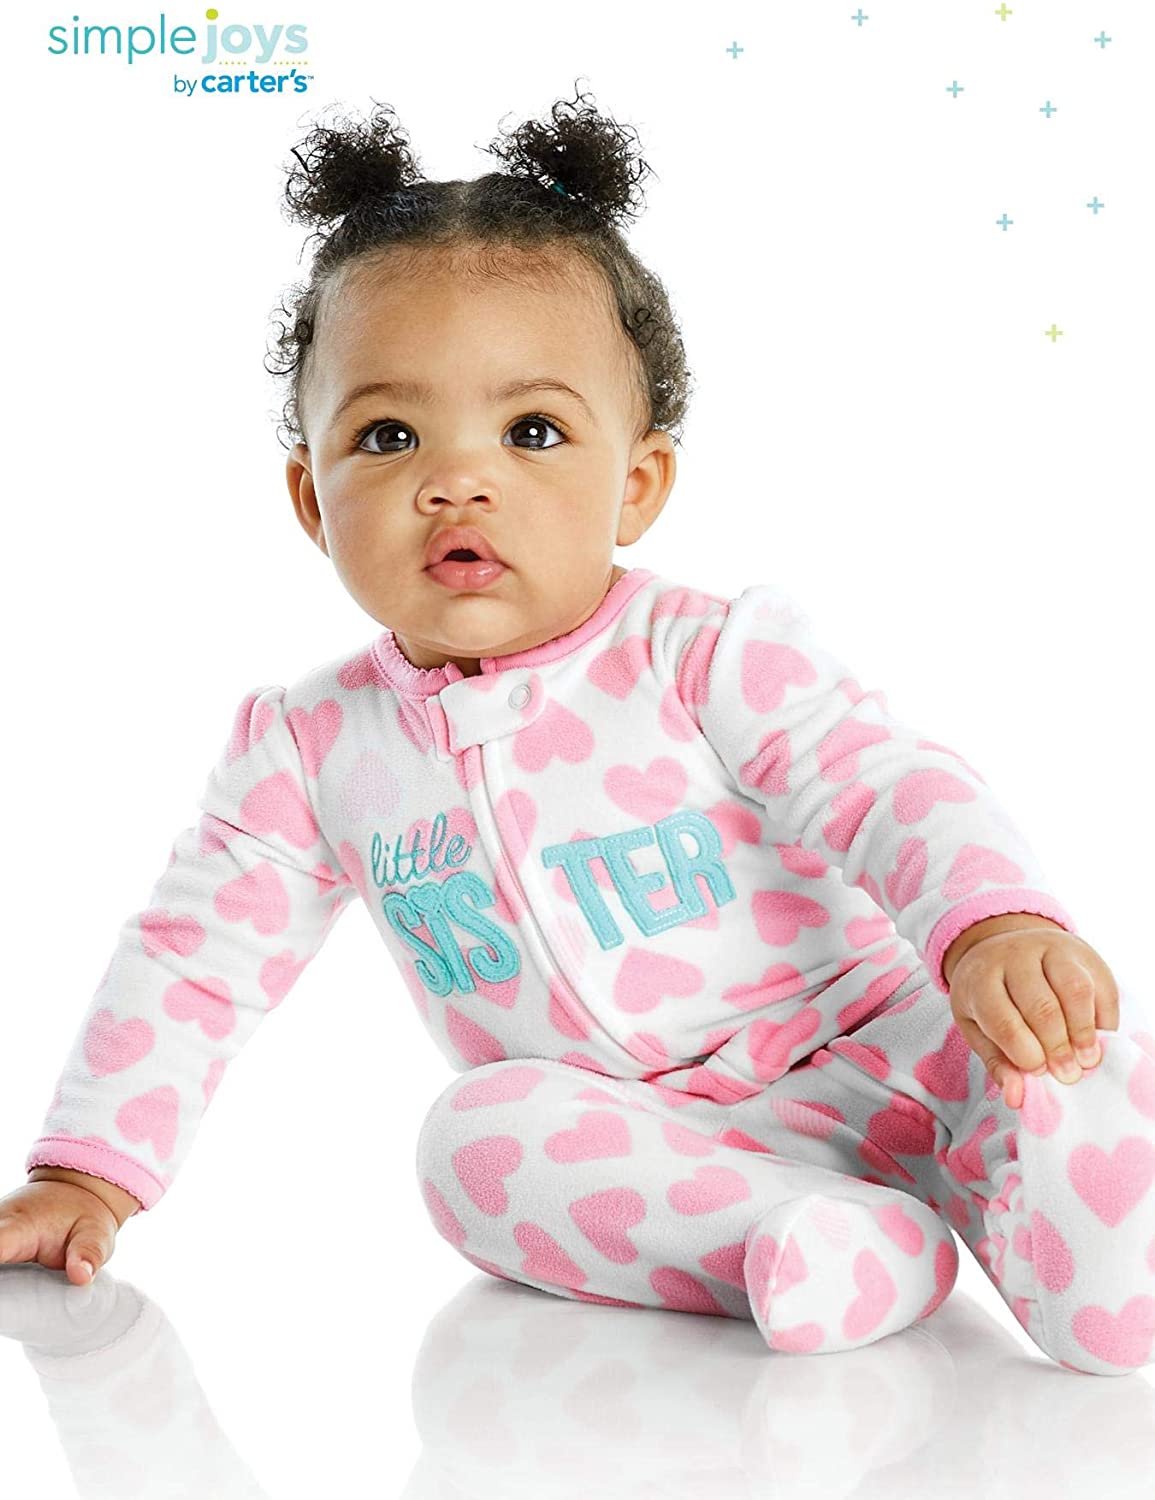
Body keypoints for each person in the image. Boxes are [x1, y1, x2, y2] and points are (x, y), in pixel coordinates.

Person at [4, 84, 1153, 1376]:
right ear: (311, 500)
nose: (457, 478)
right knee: (471, 1143)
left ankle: (1091, 1185)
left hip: (885, 1042)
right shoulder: (312, 749)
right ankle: (812, 1241)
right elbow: (194, 962)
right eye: (388, 435)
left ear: (638, 483)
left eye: (532, 430)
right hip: (666, 1146)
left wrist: (991, 925)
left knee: (1022, 1058)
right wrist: (86, 1173)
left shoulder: (705, 655)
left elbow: (882, 783)